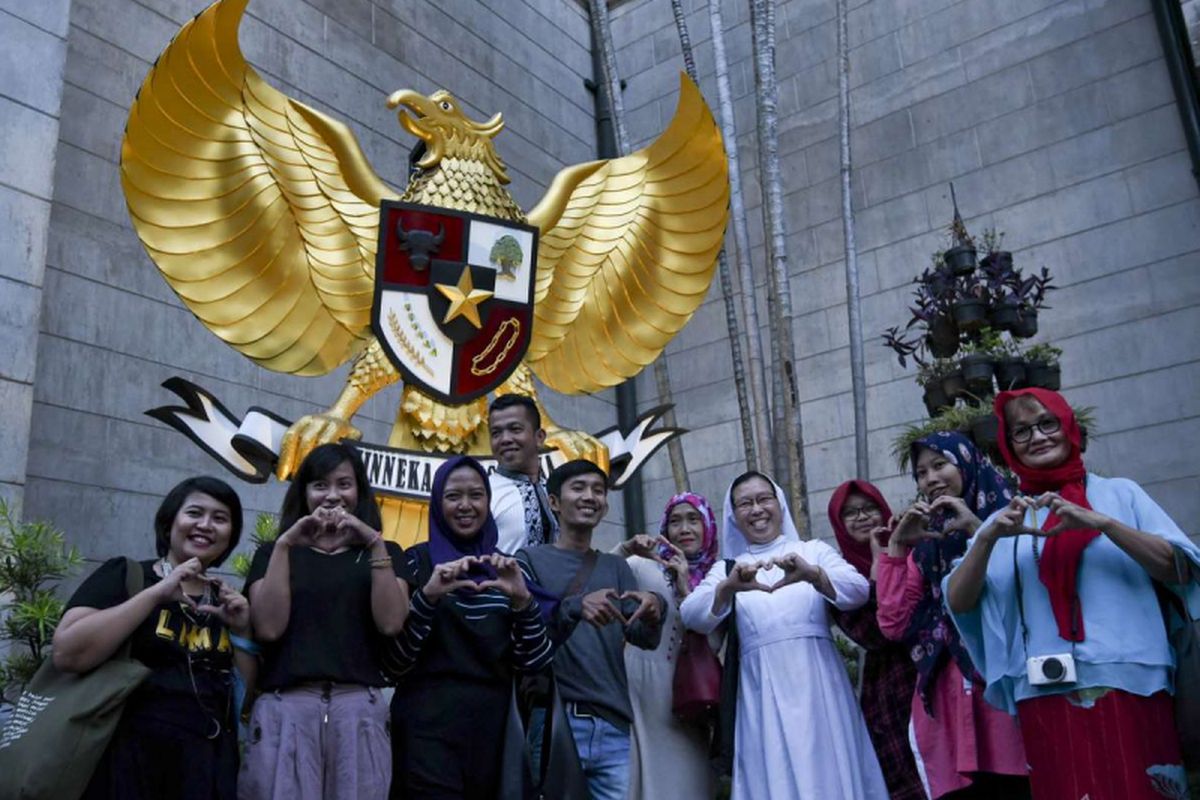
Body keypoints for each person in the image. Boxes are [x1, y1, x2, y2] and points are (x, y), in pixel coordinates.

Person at [944, 388, 1199, 799]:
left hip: (1132, 683)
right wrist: (987, 537)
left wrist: (1102, 524)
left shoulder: (1120, 494)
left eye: (1047, 423)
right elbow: (958, 601)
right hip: (1043, 693)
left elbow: (1179, 567)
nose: (1038, 437)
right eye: (1021, 431)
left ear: (1068, 428)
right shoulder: (1007, 519)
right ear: (1008, 445)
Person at [679, 470, 888, 799]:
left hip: (820, 685)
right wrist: (728, 588)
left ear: (779, 504)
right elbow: (692, 615)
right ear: (734, 515)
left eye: (764, 499)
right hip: (761, 691)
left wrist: (813, 575)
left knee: (830, 770)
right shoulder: (728, 567)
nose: (757, 509)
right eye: (745, 503)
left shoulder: (813, 550)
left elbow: (858, 591)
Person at [53, 476, 251, 800]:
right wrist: (156, 593)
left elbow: (243, 699)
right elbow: (67, 652)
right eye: (195, 513)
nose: (206, 525)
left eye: (220, 518)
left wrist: (242, 630)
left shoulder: (226, 602)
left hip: (205, 768)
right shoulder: (128, 575)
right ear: (169, 522)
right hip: (126, 761)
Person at [239, 443, 411, 800]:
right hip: (287, 706)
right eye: (319, 485)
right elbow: (269, 627)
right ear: (303, 493)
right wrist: (286, 544)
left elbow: (392, 623)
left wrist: (375, 544)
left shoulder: (386, 552)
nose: (332, 496)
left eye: (344, 484)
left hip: (357, 709)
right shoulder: (273, 553)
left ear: (359, 492)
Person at [381, 455, 555, 799]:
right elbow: (393, 664)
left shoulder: (509, 569)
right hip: (424, 730)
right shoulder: (415, 563)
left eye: (476, 495)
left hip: (494, 734)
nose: (465, 506)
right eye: (452, 496)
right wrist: (428, 597)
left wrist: (522, 601)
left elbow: (536, 664)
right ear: (436, 503)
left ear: (489, 503)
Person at [876, 432, 1029, 799]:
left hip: (1004, 695)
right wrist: (898, 545)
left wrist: (981, 530)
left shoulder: (1015, 517)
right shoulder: (926, 548)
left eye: (940, 465)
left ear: (966, 462)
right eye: (921, 473)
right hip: (945, 706)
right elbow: (894, 624)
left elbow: (1025, 586)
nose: (930, 479)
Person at [516, 459, 665, 800]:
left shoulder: (616, 566)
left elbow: (642, 637)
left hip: (613, 725)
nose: (590, 497)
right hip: (555, 720)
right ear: (554, 502)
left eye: (598, 490)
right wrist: (573, 607)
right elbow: (525, 631)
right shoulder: (529, 560)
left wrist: (655, 607)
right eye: (579, 488)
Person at [616, 492, 720, 800]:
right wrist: (624, 548)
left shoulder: (718, 578)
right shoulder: (641, 566)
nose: (684, 529)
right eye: (675, 522)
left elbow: (713, 641)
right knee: (639, 781)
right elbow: (599, 576)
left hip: (690, 695)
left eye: (693, 520)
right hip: (639, 685)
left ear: (708, 527)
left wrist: (687, 588)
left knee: (688, 783)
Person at [827, 480, 925, 800]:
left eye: (869, 508)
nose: (862, 517)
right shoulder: (840, 578)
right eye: (850, 513)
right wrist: (879, 568)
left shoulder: (916, 549)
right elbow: (872, 634)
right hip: (890, 692)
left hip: (929, 676)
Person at [487, 393, 557, 554]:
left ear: (539, 437)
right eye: (496, 433)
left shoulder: (559, 491)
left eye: (515, 429)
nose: (505, 439)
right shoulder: (482, 494)